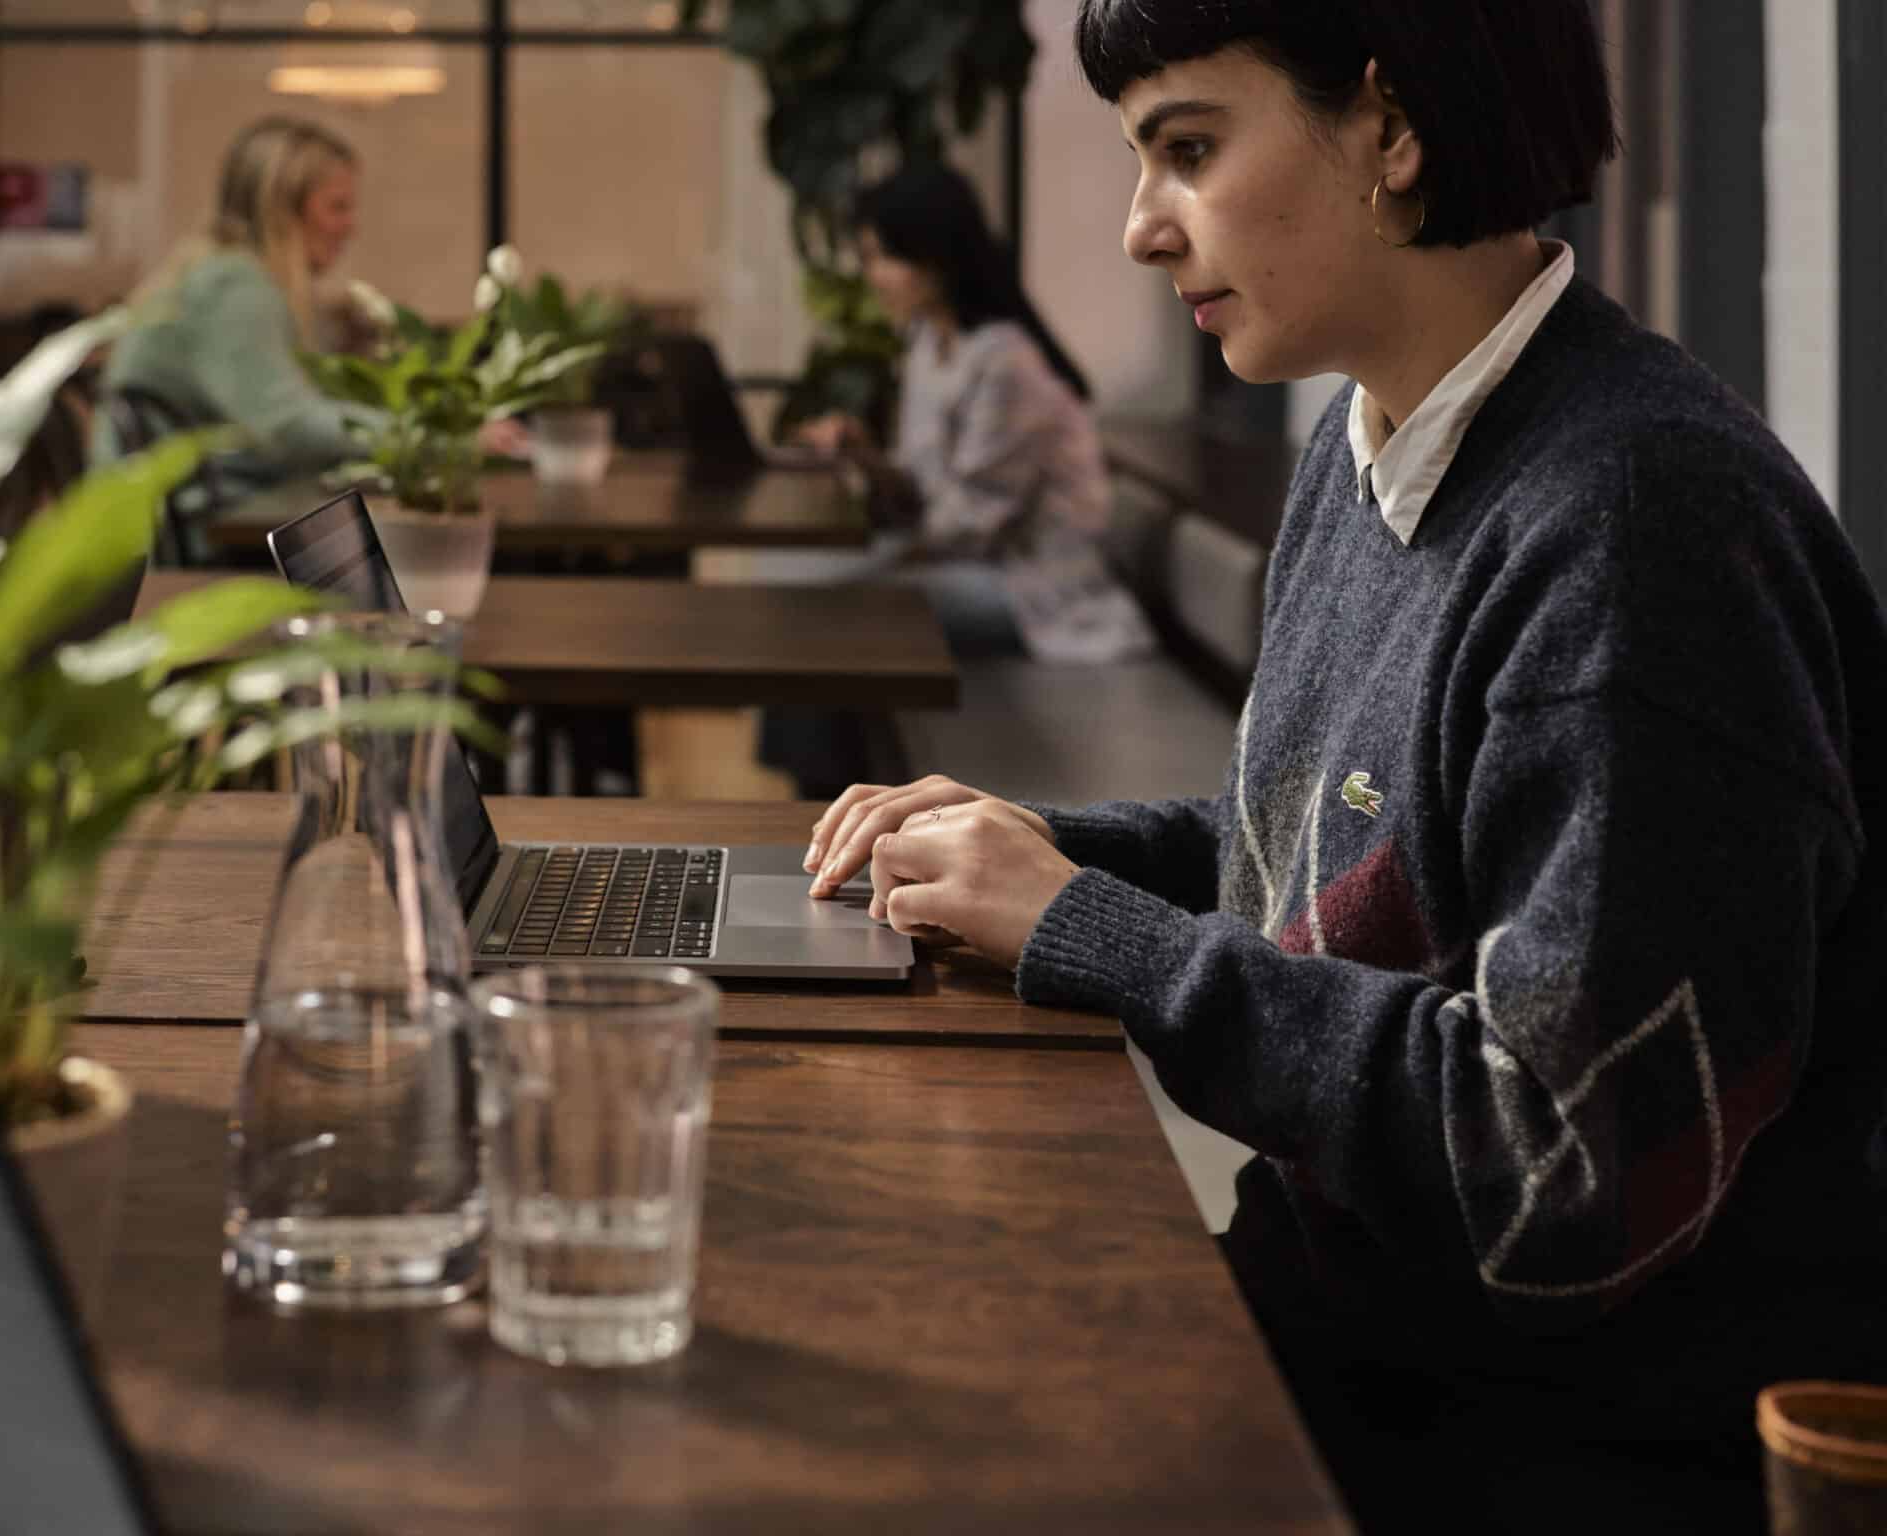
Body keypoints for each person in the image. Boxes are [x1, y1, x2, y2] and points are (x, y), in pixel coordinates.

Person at [802, 3, 1887, 1531]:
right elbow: (1338, 853)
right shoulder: (1380, 440)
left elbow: (1554, 1180)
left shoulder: (1637, 530)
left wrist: (1090, 933)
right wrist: (1039, 852)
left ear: (1390, 128)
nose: (1137, 232)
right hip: (1353, 1334)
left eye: (1188, 149)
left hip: (1532, 1442)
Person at [791, 162, 1155, 666]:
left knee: (826, 611)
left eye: (883, 258)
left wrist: (875, 546)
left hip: (1033, 594)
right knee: (809, 596)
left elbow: (967, 525)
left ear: (934, 257)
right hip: (975, 569)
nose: (872, 277)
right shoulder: (928, 344)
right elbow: (928, 491)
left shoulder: (1004, 362)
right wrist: (867, 458)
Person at [96, 116, 516, 500]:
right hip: (178, 533)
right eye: (337, 206)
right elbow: (289, 427)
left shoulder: (223, 272)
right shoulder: (235, 288)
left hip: (198, 503)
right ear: (281, 208)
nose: (351, 225)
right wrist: (440, 440)